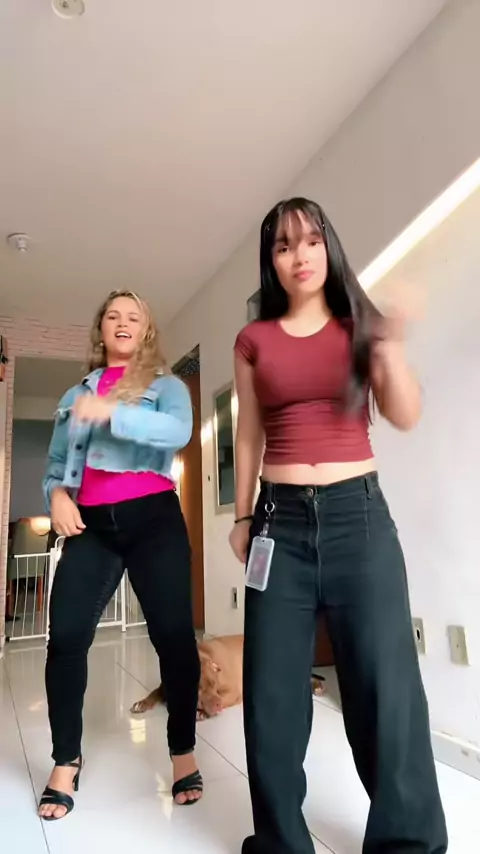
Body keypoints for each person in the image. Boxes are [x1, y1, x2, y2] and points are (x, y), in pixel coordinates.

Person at [230, 199, 448, 854]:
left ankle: (407, 843)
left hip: (360, 519)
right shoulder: (254, 340)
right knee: (271, 694)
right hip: (279, 525)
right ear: (271, 261)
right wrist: (242, 515)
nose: (299, 255)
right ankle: (281, 843)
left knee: (387, 688)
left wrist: (391, 345)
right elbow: (247, 434)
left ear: (329, 247)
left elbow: (404, 413)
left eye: (310, 240)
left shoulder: (360, 327)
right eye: (283, 245)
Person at [39, 290, 202, 821]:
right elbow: (57, 463)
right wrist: (57, 496)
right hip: (91, 526)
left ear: (146, 330)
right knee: (66, 637)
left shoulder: (166, 386)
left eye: (134, 316)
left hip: (154, 520)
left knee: (173, 636)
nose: (123, 322)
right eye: (113, 315)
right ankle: (66, 759)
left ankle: (182, 749)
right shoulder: (75, 394)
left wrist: (113, 412)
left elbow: (178, 432)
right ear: (102, 328)